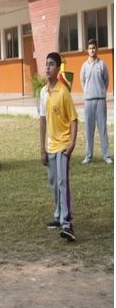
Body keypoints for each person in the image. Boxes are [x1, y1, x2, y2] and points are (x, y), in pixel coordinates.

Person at [39, 52, 78, 241]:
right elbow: (43, 121)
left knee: (63, 183)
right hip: (51, 146)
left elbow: (74, 119)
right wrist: (42, 148)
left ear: (58, 68)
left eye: (51, 64)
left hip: (63, 145)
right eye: (46, 64)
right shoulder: (44, 92)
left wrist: (72, 143)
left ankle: (67, 223)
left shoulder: (64, 92)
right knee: (54, 182)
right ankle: (58, 215)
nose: (47, 68)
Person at [81, 39, 111, 164]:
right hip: (88, 102)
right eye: (90, 48)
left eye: (94, 48)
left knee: (102, 129)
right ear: (87, 50)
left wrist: (100, 92)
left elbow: (106, 81)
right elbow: (82, 81)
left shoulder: (102, 64)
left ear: (97, 49)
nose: (92, 50)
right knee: (89, 129)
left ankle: (106, 156)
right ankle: (88, 156)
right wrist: (88, 92)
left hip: (100, 101)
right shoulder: (84, 66)